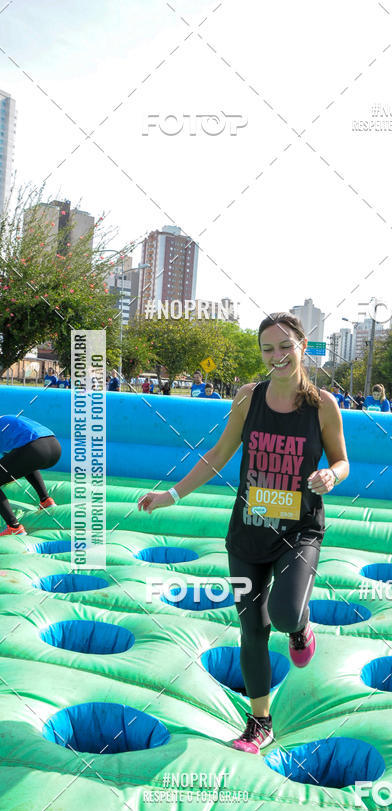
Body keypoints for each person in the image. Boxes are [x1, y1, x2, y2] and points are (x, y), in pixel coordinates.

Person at [138, 311, 349, 754]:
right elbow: (218, 454)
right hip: (248, 532)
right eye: (267, 349)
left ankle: (300, 628)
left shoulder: (323, 406)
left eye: (284, 347)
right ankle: (259, 722)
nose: (276, 356)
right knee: (251, 628)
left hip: (300, 532)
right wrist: (171, 496)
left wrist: (331, 476)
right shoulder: (248, 398)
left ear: (302, 347)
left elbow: (342, 460)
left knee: (287, 612)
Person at [0, 415, 61, 536]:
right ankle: (46, 500)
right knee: (26, 460)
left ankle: (14, 527)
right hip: (55, 447)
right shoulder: (5, 419)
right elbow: (12, 459)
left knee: (25, 456)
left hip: (34, 449)